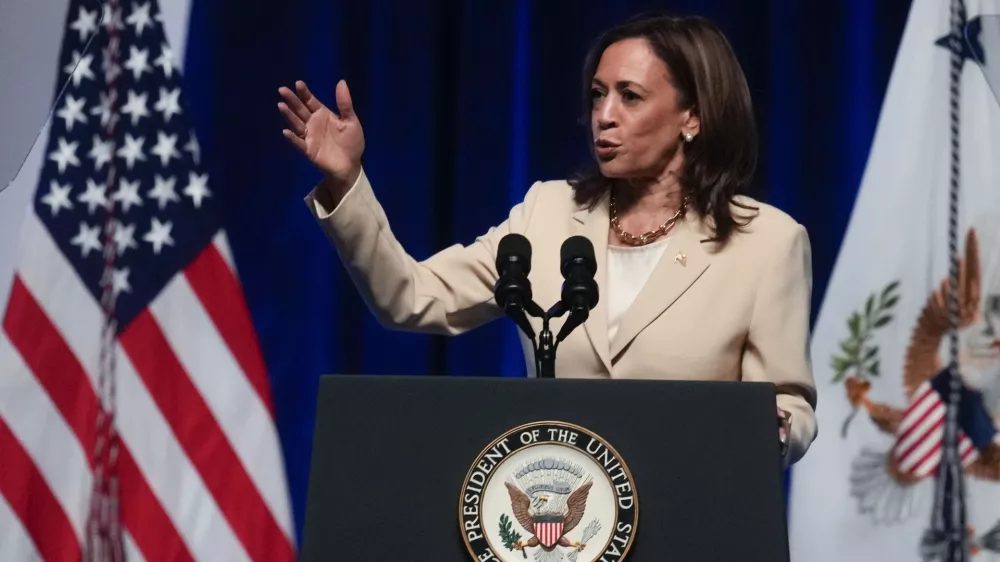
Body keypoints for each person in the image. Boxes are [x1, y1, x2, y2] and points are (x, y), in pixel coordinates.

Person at [277, 12, 817, 467]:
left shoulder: (766, 242)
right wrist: (348, 180)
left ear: (691, 117)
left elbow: (789, 405)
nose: (603, 116)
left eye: (629, 97)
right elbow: (411, 297)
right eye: (598, 94)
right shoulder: (549, 212)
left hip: (691, 517)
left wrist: (774, 429)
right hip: (556, 517)